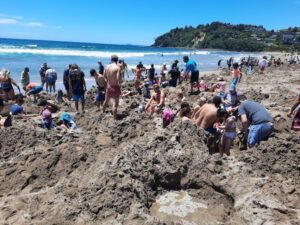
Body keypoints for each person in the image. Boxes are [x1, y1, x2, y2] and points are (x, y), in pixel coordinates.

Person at [103, 55, 123, 119]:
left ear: (111, 59)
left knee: (106, 101)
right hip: (115, 87)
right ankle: (114, 118)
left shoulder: (107, 67)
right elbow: (119, 79)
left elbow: (104, 77)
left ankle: (103, 112)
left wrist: (108, 81)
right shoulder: (117, 68)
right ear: (117, 60)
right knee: (115, 104)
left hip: (109, 86)